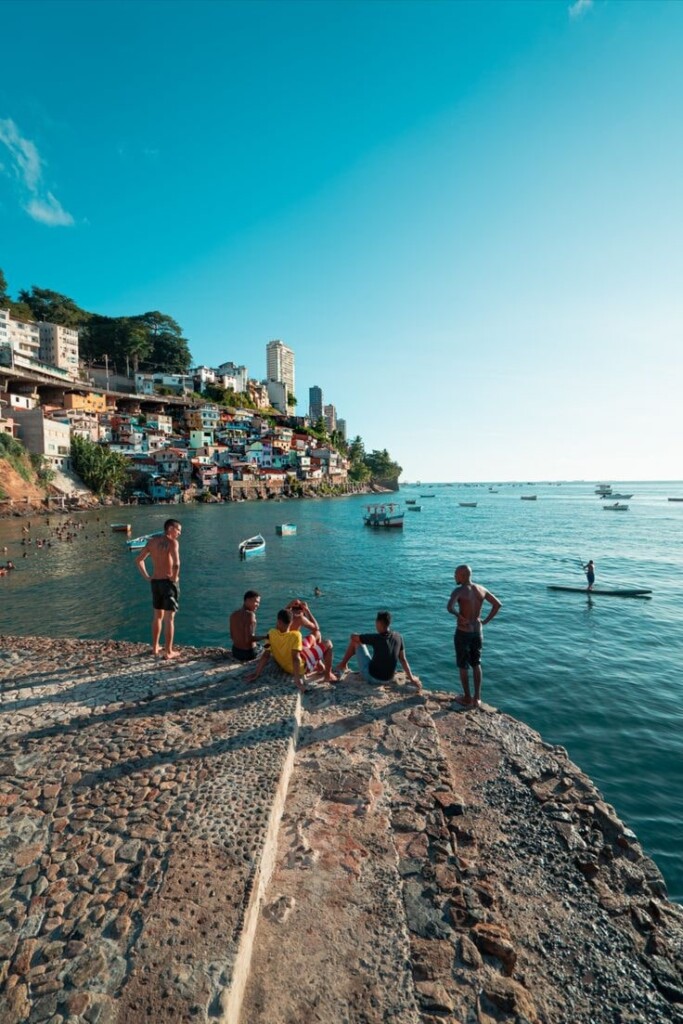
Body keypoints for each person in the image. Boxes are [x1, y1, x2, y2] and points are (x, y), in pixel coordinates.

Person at [446, 564, 501, 709]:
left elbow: (449, 607)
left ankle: (467, 698)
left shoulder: (459, 590)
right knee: (476, 663)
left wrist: (459, 616)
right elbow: (497, 604)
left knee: (463, 665)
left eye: (456, 574)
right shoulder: (481, 589)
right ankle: (477, 698)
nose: (454, 577)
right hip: (477, 631)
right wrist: (485, 621)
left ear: (463, 575)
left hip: (463, 631)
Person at [335, 610, 420, 690]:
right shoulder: (398, 637)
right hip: (389, 678)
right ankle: (343, 665)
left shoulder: (376, 638)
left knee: (355, 642)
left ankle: (342, 665)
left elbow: (353, 637)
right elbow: (403, 660)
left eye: (376, 622)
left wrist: (358, 637)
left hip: (373, 678)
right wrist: (412, 679)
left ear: (379, 623)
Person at [135, 518, 182, 659]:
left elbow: (139, 560)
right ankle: (168, 652)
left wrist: (147, 576)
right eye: (178, 529)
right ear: (170, 528)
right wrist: (174, 577)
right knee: (169, 618)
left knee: (157, 616)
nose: (180, 532)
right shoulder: (172, 543)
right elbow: (177, 564)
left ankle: (155, 647)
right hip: (168, 583)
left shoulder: (152, 542)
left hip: (155, 582)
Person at [245, 608, 307, 692]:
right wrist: (297, 680)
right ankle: (326, 673)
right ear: (291, 622)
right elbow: (295, 658)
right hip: (300, 669)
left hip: (284, 666)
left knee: (306, 646)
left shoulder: (271, 633)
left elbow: (266, 655)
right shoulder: (296, 635)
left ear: (278, 621)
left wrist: (257, 673)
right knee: (325, 642)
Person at [286, 598, 337, 682]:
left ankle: (320, 665)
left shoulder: (284, 616)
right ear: (301, 611)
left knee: (317, 634)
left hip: (289, 649)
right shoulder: (299, 617)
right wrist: (308, 610)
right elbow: (317, 627)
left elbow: (316, 631)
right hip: (296, 655)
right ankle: (328, 675)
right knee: (328, 643)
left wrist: (289, 605)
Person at [229, 590, 263, 662]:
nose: (258, 605)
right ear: (247, 600)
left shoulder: (233, 615)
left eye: (258, 603)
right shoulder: (250, 615)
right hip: (248, 654)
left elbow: (232, 636)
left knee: (258, 645)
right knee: (264, 648)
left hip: (235, 651)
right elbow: (249, 639)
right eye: (256, 602)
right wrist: (266, 637)